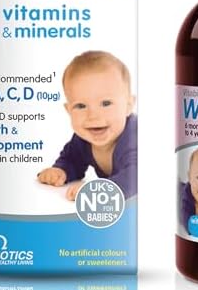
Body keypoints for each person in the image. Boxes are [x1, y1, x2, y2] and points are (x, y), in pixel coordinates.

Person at [37, 51, 137, 200]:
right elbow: (72, 159)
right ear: (68, 110)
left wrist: (99, 190)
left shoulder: (134, 138)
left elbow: (136, 177)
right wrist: (60, 171)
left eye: (106, 103)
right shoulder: (82, 140)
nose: (93, 116)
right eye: (81, 106)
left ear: (128, 106)